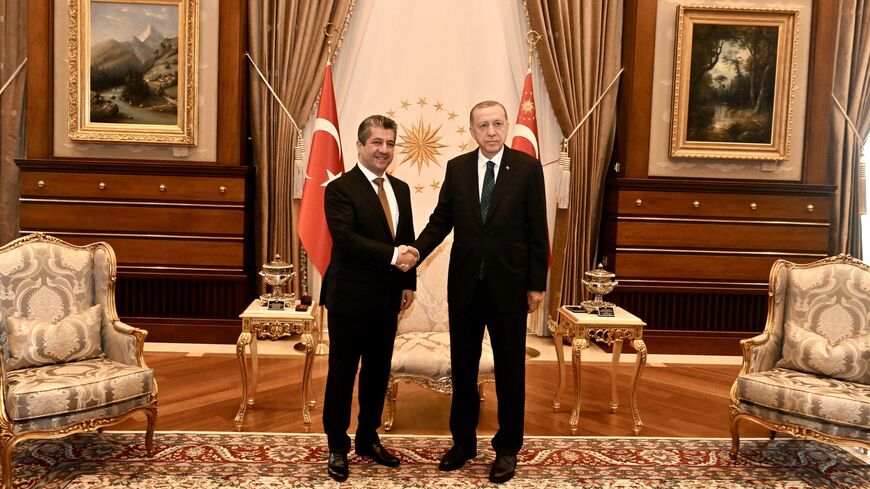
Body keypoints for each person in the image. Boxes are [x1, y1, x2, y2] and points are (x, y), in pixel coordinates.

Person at [410, 100, 548, 484]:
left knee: (509, 372)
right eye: (483, 125)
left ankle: (507, 449)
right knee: (464, 368)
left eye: (497, 124)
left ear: (506, 127)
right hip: (467, 286)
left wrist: (536, 284)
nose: (491, 131)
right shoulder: (457, 169)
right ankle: (463, 442)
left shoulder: (526, 168)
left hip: (510, 287)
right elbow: (441, 220)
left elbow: (538, 229)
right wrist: (415, 252)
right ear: (472, 131)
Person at [320, 114, 419, 482]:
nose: (384, 150)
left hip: (388, 298)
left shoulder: (402, 188)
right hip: (349, 298)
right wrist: (395, 257)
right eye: (376, 142)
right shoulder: (340, 189)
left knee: (377, 373)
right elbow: (345, 239)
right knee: (342, 375)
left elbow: (406, 237)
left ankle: (367, 438)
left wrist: (409, 283)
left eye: (390, 143)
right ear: (359, 145)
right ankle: (336, 445)